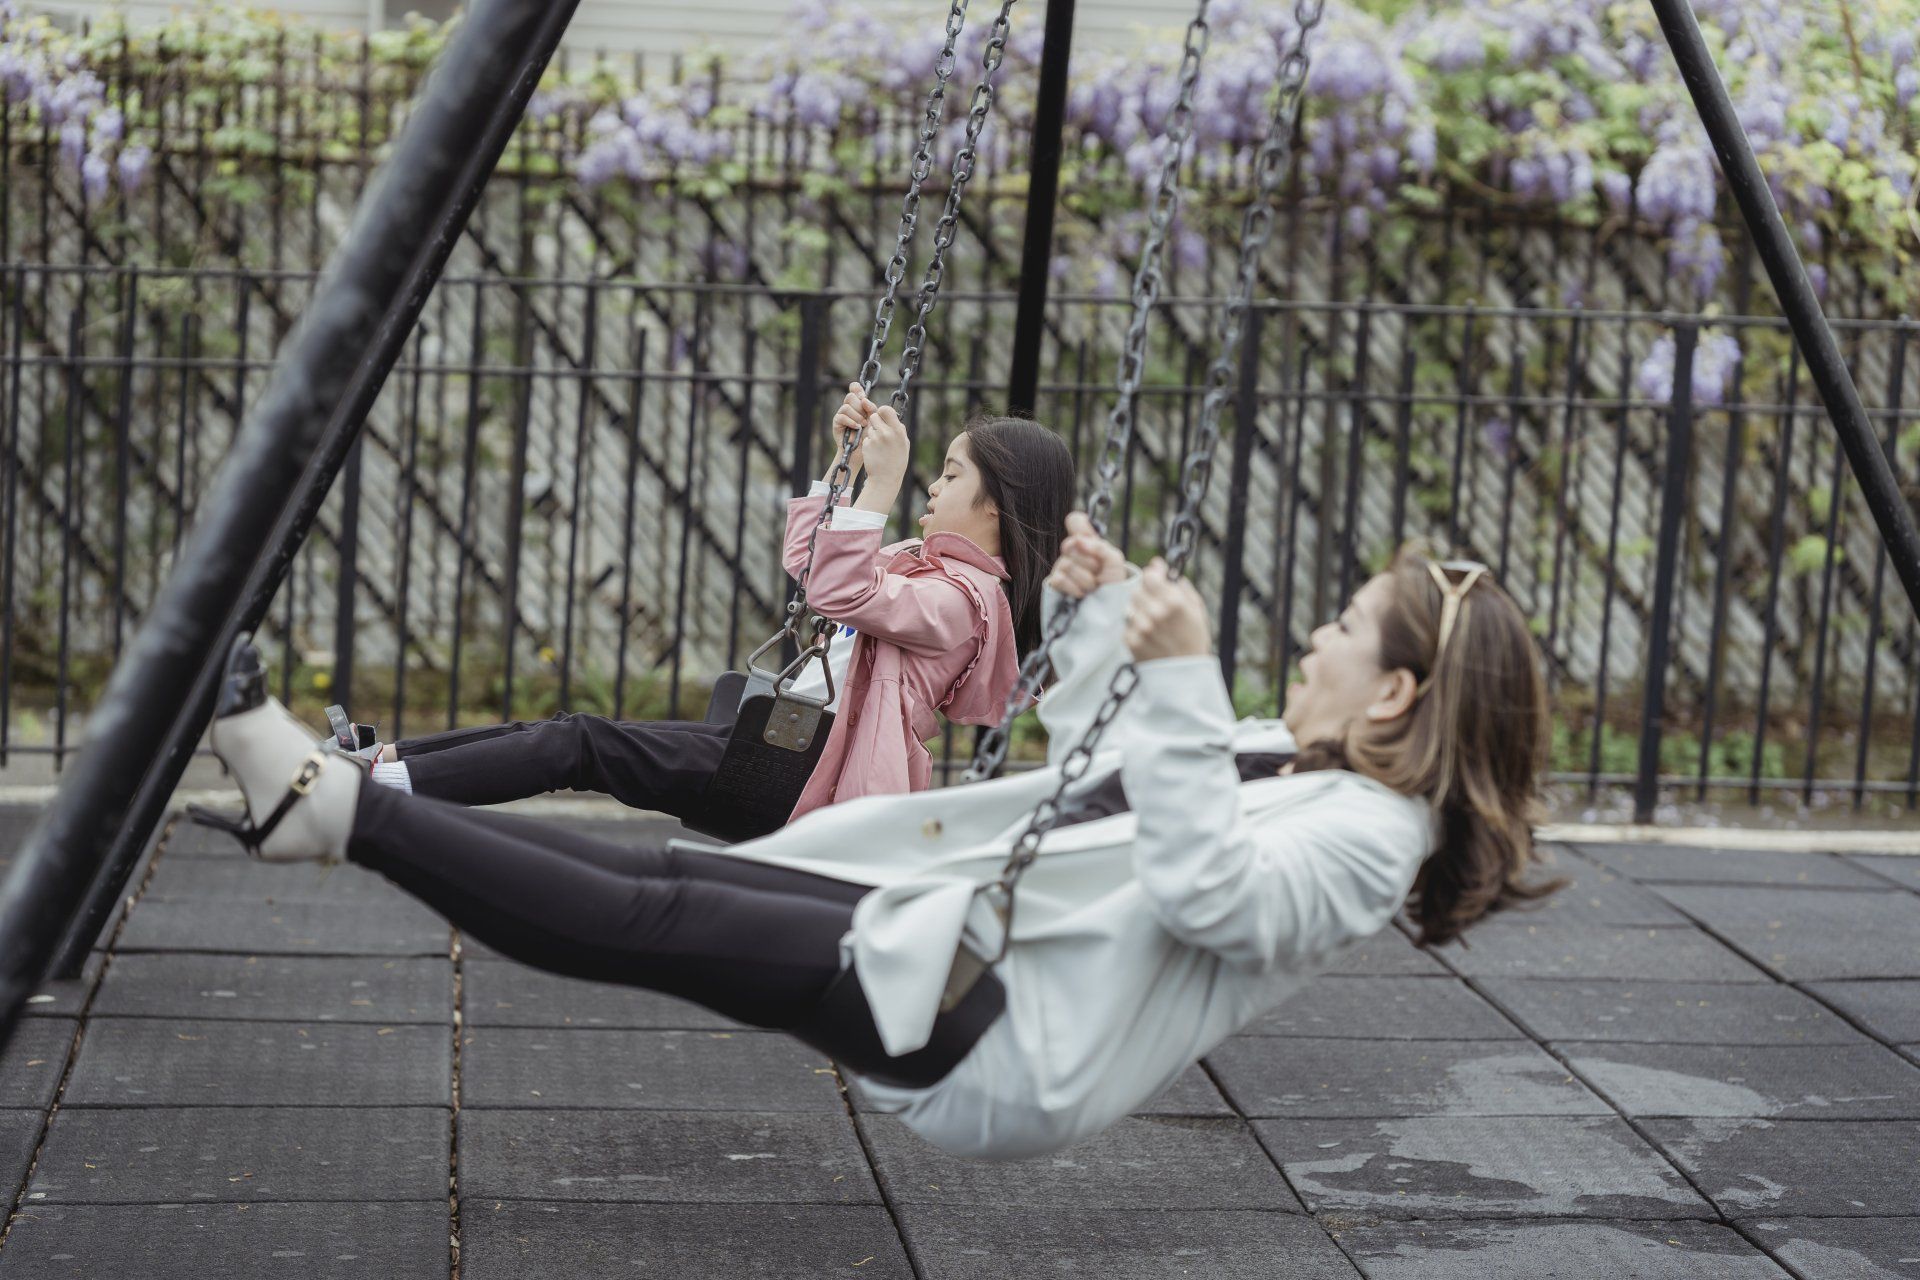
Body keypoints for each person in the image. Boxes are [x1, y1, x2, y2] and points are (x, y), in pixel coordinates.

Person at [194, 512, 1560, 1160]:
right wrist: (1097, 620)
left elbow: (1210, 892)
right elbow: (1110, 764)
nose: (1314, 637)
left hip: (1001, 1028)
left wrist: (1187, 670)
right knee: (666, 888)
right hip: (963, 948)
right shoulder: (1294, 757)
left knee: (657, 918)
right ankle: (332, 808)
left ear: (1394, 690)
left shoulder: (1371, 842)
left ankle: (338, 812)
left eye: (1342, 626)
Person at [339, 386, 1075, 838]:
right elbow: (810, 564)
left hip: (808, 769)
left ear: (997, 507)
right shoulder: (927, 567)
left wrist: (880, 488)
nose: (932, 488)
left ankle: (384, 787)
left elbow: (837, 592)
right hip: (785, 744)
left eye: (949, 475)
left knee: (581, 744)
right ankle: (387, 764)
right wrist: (845, 470)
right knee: (568, 736)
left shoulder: (964, 605)